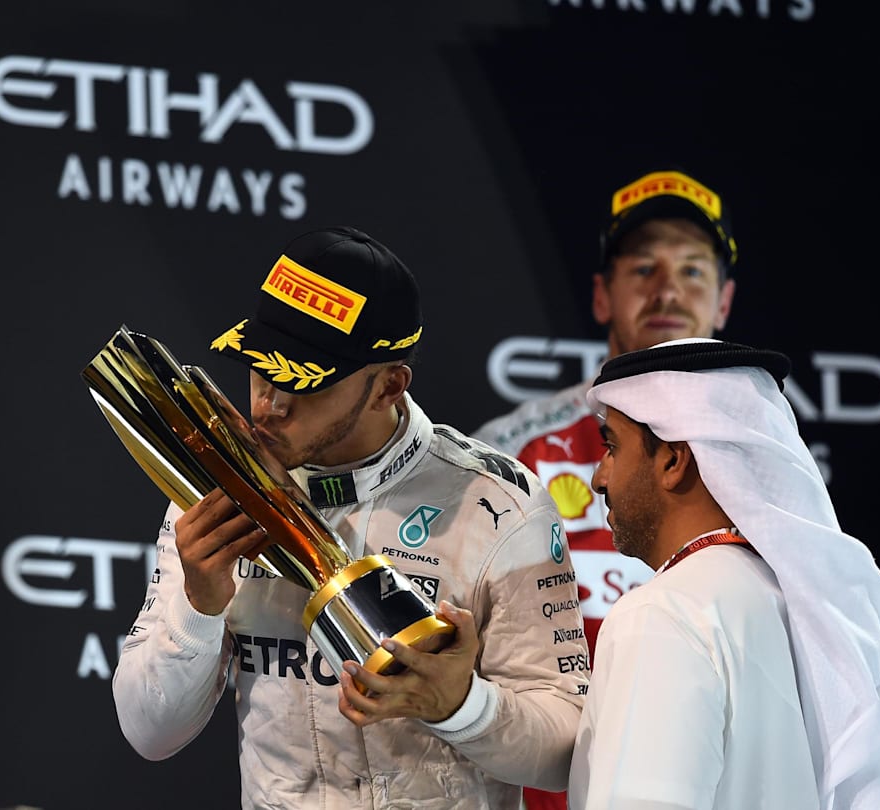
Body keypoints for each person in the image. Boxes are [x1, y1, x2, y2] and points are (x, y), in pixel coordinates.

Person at [111, 226, 587, 808]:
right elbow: (148, 733)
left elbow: (568, 751)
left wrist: (463, 706)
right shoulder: (213, 494)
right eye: (261, 368)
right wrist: (199, 607)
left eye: (303, 382)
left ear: (390, 384)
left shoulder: (499, 505)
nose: (270, 403)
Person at [472, 168, 737, 810]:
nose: (667, 290)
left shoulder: (763, 468)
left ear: (724, 302)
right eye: (642, 269)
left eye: (693, 270)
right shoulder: (516, 449)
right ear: (601, 296)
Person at [568, 337, 880, 810]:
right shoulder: (810, 608)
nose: (599, 478)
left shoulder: (662, 614)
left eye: (613, 448)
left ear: (673, 460)